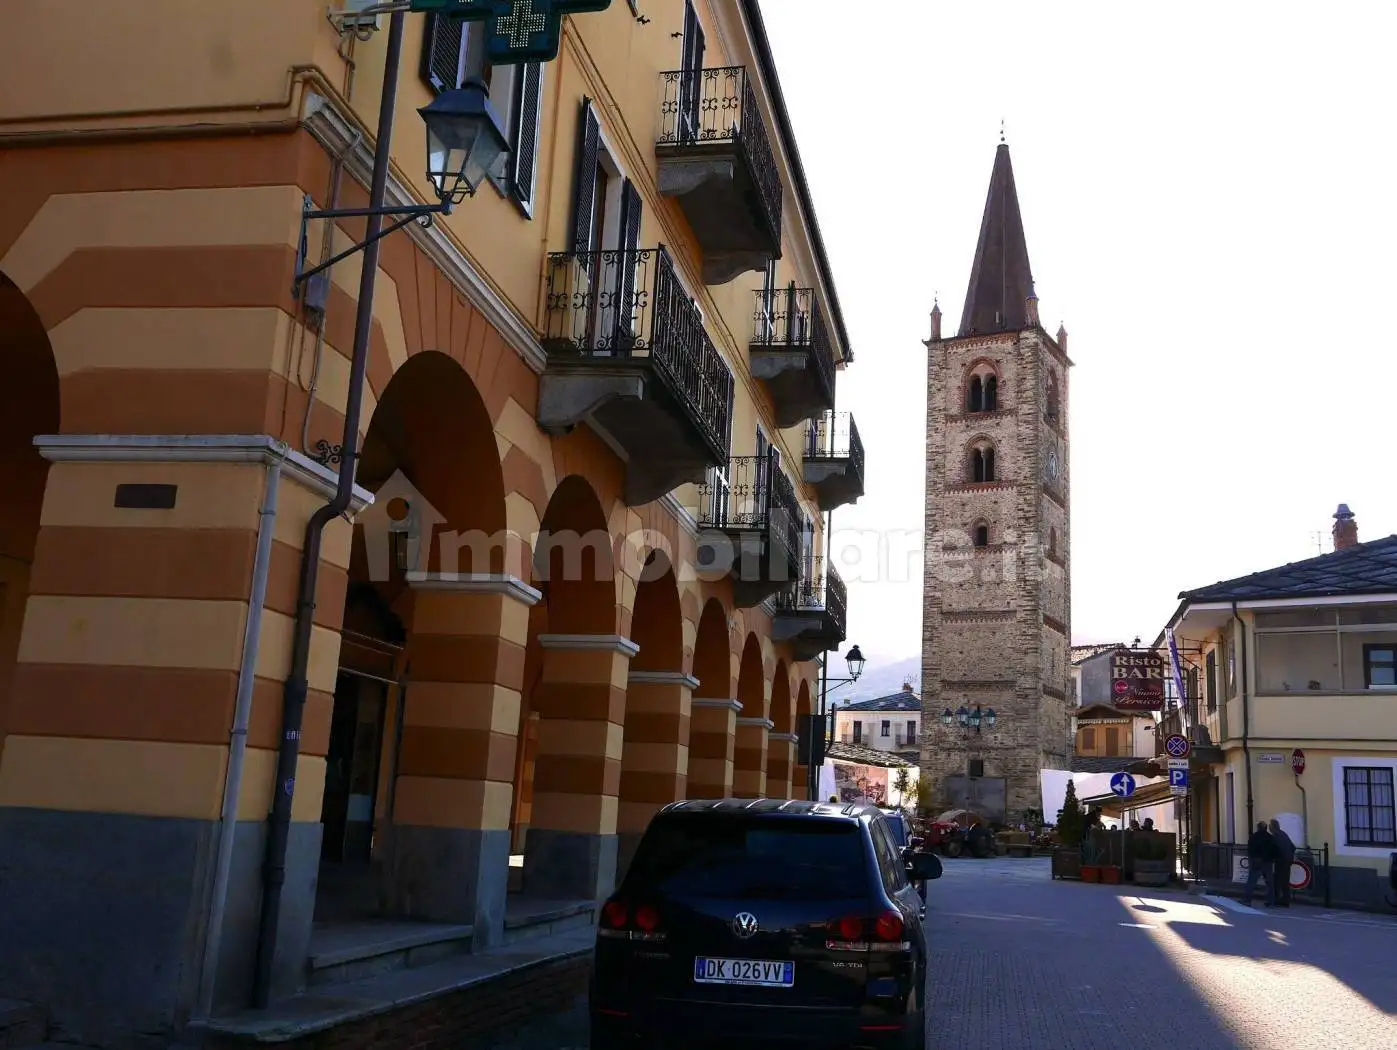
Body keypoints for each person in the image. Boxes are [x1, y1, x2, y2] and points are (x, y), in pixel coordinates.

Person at [1241, 820, 1278, 907]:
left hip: (1256, 862)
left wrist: (1252, 859)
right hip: (1268, 862)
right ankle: (1271, 901)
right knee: (1269, 883)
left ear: (1258, 828)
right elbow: (1273, 850)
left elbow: (1250, 849)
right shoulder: (1270, 837)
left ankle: (1247, 900)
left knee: (1251, 881)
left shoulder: (1254, 837)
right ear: (1266, 828)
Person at [1269, 818, 1296, 907]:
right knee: (1285, 880)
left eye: (1270, 826)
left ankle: (1278, 899)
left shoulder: (1275, 836)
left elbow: (1273, 849)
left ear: (1272, 827)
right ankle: (1285, 899)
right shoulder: (1283, 834)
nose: (1269, 828)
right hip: (1288, 860)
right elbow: (1293, 847)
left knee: (1277, 880)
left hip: (1281, 861)